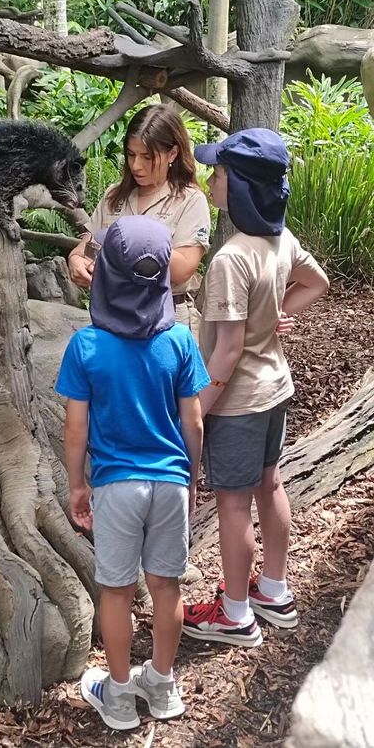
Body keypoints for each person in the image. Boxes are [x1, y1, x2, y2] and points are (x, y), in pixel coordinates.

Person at [55, 216, 210, 730]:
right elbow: (193, 420)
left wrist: (78, 483)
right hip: (168, 481)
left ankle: (118, 696)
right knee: (167, 587)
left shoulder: (87, 347)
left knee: (116, 591)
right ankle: (162, 688)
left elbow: (76, 429)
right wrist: (190, 479)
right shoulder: (181, 341)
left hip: (116, 485)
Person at [182, 129, 329, 648]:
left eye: (218, 174)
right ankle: (274, 590)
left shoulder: (229, 259)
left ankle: (237, 614)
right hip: (276, 389)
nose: (210, 180)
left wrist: (196, 411)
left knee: (232, 503)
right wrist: (278, 316)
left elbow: (226, 350)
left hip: (240, 401)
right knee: (271, 486)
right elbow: (318, 283)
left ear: (240, 187)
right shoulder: (280, 239)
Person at [67, 104, 211, 336]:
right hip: (115, 317)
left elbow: (183, 270)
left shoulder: (190, 200)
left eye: (147, 157)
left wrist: (135, 237)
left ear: (172, 154)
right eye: (131, 155)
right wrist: (76, 260)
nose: (136, 165)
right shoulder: (115, 195)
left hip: (169, 319)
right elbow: (88, 247)